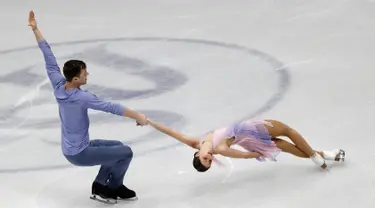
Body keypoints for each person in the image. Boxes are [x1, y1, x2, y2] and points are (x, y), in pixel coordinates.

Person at [28, 11, 148, 204]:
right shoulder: (81, 97)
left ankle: (100, 184)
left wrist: (35, 28)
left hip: (74, 148)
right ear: (75, 79)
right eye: (84, 74)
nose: (87, 75)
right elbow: (111, 107)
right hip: (80, 153)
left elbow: (48, 55)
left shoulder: (59, 84)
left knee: (116, 146)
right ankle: (112, 187)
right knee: (126, 152)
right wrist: (138, 116)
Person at [146, 118, 345, 172]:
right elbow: (241, 156)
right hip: (249, 130)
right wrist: (257, 155)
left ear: (197, 155)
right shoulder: (220, 149)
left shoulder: (194, 143)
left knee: (283, 145)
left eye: (205, 159)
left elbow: (171, 132)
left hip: (247, 139)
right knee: (287, 132)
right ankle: (316, 156)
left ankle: (325, 155)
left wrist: (150, 122)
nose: (210, 158)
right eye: (210, 162)